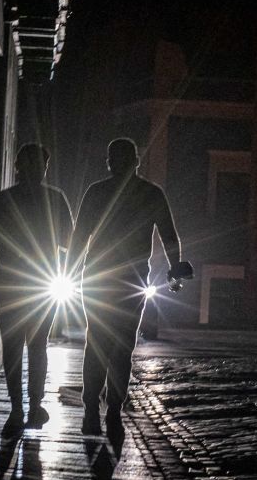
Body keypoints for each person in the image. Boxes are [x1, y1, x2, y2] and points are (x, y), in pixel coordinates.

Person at [68, 138, 187, 436]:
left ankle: (92, 410)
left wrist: (68, 271)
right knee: (122, 346)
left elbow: (79, 238)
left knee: (96, 341)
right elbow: (169, 236)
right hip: (131, 280)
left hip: (96, 278)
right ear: (136, 161)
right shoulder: (151, 194)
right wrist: (174, 270)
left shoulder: (96, 193)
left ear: (110, 162)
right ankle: (113, 411)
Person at [0, 143, 75, 433]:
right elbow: (70, 242)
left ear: (17, 166)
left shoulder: (1, 199)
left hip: (7, 281)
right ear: (42, 168)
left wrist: (8, 239)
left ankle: (17, 408)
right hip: (43, 280)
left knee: (13, 347)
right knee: (38, 346)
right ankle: (34, 406)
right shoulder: (56, 199)